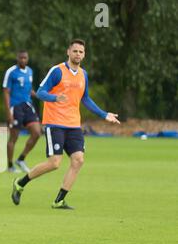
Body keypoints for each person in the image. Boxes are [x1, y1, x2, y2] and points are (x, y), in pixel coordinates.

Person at [11, 39, 120, 209]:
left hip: (73, 124)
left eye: (81, 52)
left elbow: (86, 98)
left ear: (84, 55)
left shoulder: (83, 74)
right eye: (75, 51)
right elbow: (40, 92)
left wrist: (104, 114)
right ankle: (20, 183)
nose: (78, 54)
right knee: (54, 163)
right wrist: (55, 97)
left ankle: (59, 200)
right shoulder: (57, 71)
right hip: (55, 123)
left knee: (78, 160)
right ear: (68, 52)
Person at [3, 50, 42, 173]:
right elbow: (6, 92)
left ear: (28, 58)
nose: (23, 60)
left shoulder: (30, 71)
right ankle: (10, 166)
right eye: (21, 58)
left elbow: (29, 89)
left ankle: (21, 159)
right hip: (15, 107)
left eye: (25, 58)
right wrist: (9, 112)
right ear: (17, 58)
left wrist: (40, 96)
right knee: (14, 137)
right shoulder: (11, 72)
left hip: (28, 106)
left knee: (37, 132)